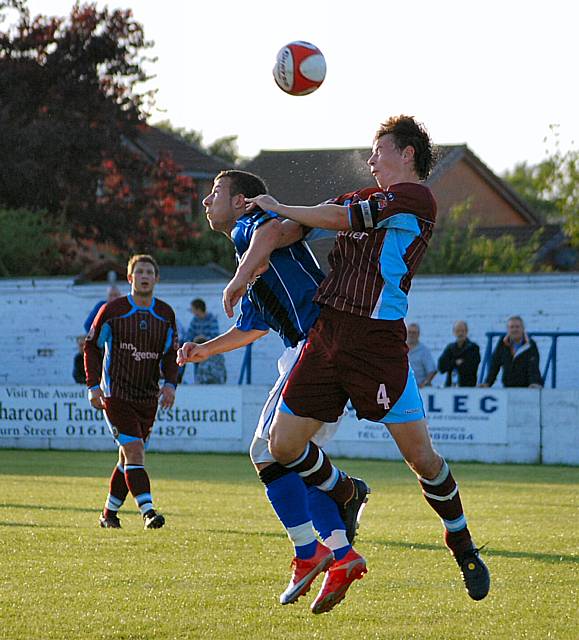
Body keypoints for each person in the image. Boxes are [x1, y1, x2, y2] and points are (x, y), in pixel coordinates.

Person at [233, 115, 490, 608]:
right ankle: (346, 492)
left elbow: (341, 220)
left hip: (377, 344)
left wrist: (281, 206)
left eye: (379, 151)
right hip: (328, 335)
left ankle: (462, 545)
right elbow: (292, 228)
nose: (371, 160)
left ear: (407, 154)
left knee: (422, 460)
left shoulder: (417, 199)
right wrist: (249, 263)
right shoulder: (357, 197)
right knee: (280, 446)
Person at [177, 169, 370, 615]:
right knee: (290, 460)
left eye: (216, 193)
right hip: (321, 351)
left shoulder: (252, 227)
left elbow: (270, 231)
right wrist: (204, 350)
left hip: (316, 348)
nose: (207, 201)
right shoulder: (251, 252)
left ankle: (319, 540)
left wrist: (238, 278)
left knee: (268, 451)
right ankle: (339, 553)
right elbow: (252, 325)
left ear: (244, 201)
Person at [84, 254, 179, 530]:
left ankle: (108, 515)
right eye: (139, 272)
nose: (145, 276)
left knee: (127, 459)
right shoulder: (112, 311)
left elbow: (171, 354)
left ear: (156, 279)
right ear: (130, 278)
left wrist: (170, 385)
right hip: (116, 395)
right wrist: (92, 387)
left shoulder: (165, 314)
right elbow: (91, 347)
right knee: (135, 452)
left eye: (149, 271)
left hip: (148, 397)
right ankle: (148, 512)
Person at [480, 316, 542, 388]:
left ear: (523, 328)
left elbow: (533, 367)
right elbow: (495, 365)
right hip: (508, 387)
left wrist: (534, 382)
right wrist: (488, 383)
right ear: (507, 329)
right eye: (511, 327)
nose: (514, 329)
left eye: (517, 327)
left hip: (527, 387)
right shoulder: (502, 343)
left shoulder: (530, 345)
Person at [438, 321, 481, 387]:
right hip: (450, 388)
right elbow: (441, 367)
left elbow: (471, 367)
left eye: (462, 331)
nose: (460, 333)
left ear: (466, 332)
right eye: (458, 331)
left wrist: (451, 363)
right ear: (454, 332)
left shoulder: (473, 348)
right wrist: (455, 362)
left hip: (468, 388)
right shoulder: (450, 348)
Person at [406, 323, 437, 387]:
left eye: (414, 333)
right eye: (409, 332)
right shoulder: (400, 349)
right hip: (402, 389)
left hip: (418, 388)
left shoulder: (424, 351)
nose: (411, 335)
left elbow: (432, 371)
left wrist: (425, 383)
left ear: (418, 334)